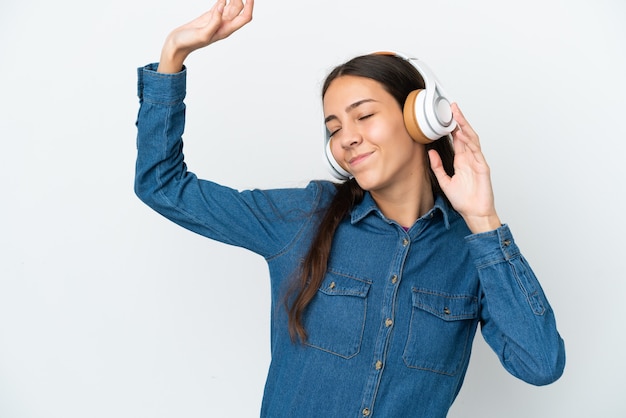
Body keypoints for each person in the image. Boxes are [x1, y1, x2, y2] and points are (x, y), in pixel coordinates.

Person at [134, 1, 565, 416]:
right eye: (334, 128)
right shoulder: (303, 218)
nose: (346, 138)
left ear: (420, 117)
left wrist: (484, 222)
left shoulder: (474, 252)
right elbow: (162, 184)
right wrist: (175, 52)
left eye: (363, 116)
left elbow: (541, 365)